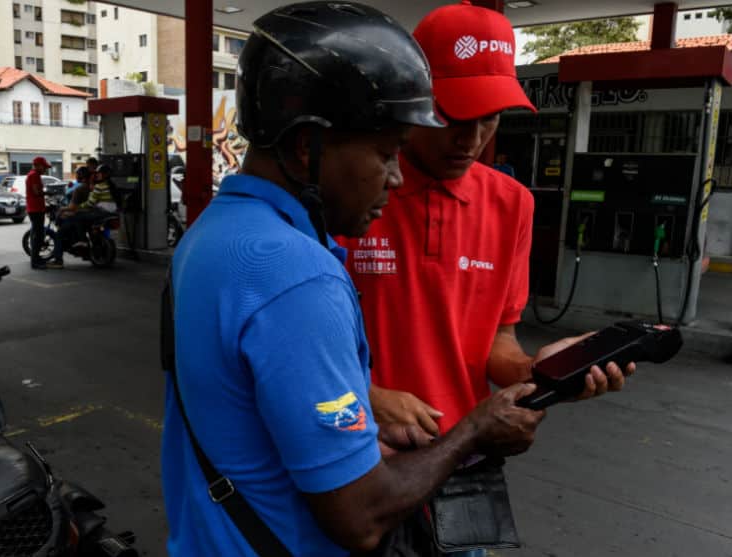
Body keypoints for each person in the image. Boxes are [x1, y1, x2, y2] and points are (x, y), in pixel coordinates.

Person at [161, 3, 547, 556]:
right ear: (306, 147)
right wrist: (474, 430)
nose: (395, 177)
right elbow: (360, 516)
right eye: (387, 154)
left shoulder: (211, 234)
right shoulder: (297, 273)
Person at [341, 4, 636, 554]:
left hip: (461, 465)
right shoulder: (352, 191)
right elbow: (294, 342)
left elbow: (495, 340)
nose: (472, 138)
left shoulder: (512, 204)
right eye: (453, 115)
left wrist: (543, 371)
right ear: (412, 97)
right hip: (358, 465)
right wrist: (365, 397)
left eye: (490, 117)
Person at [68, 164, 117, 249]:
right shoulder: (112, 185)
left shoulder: (99, 186)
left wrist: (79, 206)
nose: (96, 176)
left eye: (98, 174)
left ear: (104, 175)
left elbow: (90, 203)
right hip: (112, 212)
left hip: (101, 212)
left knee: (78, 216)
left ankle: (83, 241)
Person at [26, 156, 60, 270]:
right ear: (38, 166)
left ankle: (36, 259)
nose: (45, 169)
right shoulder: (34, 175)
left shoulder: (34, 175)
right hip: (35, 210)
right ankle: (35, 262)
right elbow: (36, 192)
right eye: (44, 167)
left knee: (37, 234)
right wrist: (48, 193)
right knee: (38, 236)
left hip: (36, 208)